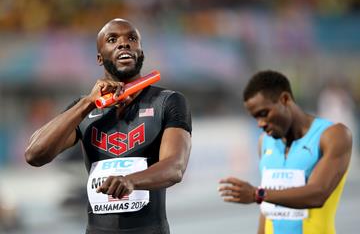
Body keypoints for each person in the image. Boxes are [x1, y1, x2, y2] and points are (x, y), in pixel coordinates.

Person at [25, 18, 192, 234]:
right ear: (99, 58)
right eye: (112, 40)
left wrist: (131, 181)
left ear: (140, 52)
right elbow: (34, 155)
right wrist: (87, 103)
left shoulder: (168, 102)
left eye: (132, 39)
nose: (124, 44)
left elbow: (175, 168)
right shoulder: (83, 109)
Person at [218, 70, 352, 234]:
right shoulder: (264, 142)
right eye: (255, 117)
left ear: (285, 99)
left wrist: (256, 194)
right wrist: (260, 197)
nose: (260, 123)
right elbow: (267, 209)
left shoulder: (332, 135)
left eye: (264, 113)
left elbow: (318, 194)